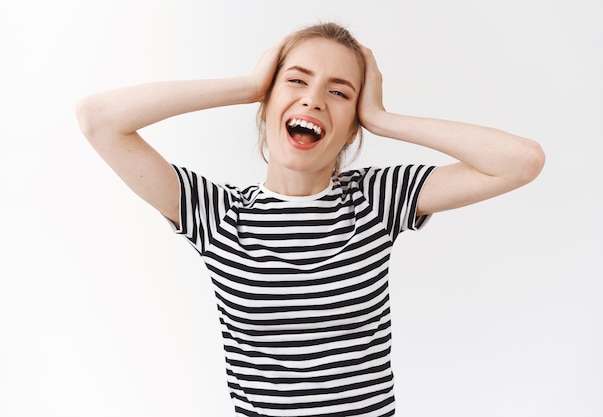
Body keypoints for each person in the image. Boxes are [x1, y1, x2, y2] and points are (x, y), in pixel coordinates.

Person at [76, 22, 544, 417]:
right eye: (296, 81)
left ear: (351, 125)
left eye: (339, 92)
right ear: (268, 102)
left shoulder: (376, 200)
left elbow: (521, 160)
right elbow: (99, 119)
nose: (314, 100)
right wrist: (248, 85)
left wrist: (381, 118)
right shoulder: (217, 214)